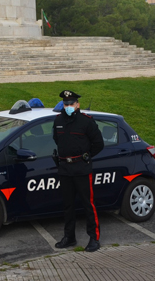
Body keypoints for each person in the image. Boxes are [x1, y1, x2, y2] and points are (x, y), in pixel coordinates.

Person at [52, 89, 105, 252]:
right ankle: (69, 237)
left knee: (88, 204)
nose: (68, 106)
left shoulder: (86, 121)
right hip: (65, 168)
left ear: (77, 104)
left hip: (81, 168)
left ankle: (94, 238)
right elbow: (57, 139)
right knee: (68, 205)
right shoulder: (58, 120)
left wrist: (88, 155)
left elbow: (99, 143)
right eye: (65, 103)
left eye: (71, 103)